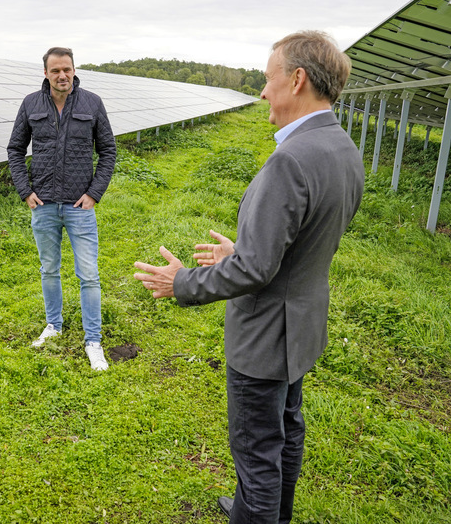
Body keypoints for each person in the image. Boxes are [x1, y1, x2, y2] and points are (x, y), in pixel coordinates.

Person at [133, 31, 364, 522]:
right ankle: (268, 512)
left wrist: (181, 283)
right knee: (286, 430)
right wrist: (247, 250)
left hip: (263, 338)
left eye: (267, 79)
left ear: (297, 80)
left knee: (257, 451)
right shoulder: (341, 148)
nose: (262, 92)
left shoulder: (291, 160)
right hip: (299, 328)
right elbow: (305, 242)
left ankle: (257, 510)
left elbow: (257, 270)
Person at [7, 47, 117, 371]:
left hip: (79, 206)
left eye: (67, 69)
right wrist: (25, 191)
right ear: (45, 73)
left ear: (74, 70)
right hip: (43, 206)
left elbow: (108, 151)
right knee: (49, 270)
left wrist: (94, 194)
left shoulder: (92, 103)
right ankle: (53, 325)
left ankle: (93, 340)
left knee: (89, 274)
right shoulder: (30, 104)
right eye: (55, 71)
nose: (62, 76)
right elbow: (15, 149)